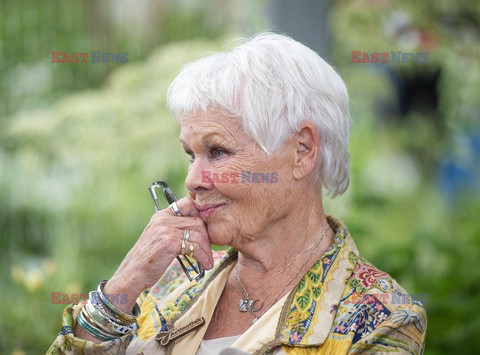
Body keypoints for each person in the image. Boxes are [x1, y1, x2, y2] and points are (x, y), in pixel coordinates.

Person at [47, 32, 427, 354]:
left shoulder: (380, 318)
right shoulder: (170, 283)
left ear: (302, 152)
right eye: (190, 155)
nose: (193, 179)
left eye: (217, 151)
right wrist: (123, 285)